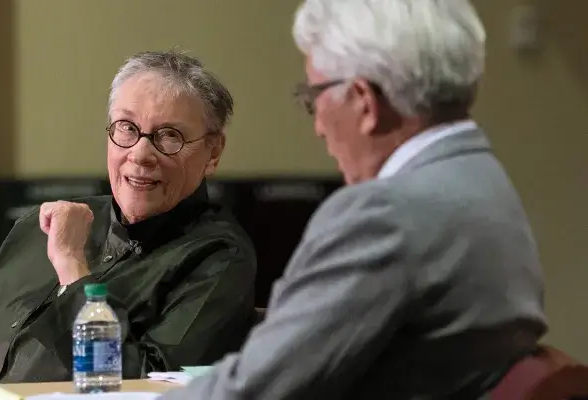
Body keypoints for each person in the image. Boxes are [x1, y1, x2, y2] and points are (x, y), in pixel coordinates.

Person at [160, 1, 547, 399]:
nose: (318, 126)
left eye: (315, 97)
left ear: (363, 101)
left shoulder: (383, 215)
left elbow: (256, 389)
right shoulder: (485, 180)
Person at [0, 51, 257, 400]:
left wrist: (72, 270)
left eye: (169, 136)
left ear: (213, 152)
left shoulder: (220, 257)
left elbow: (141, 388)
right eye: (127, 128)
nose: (141, 154)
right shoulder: (43, 226)